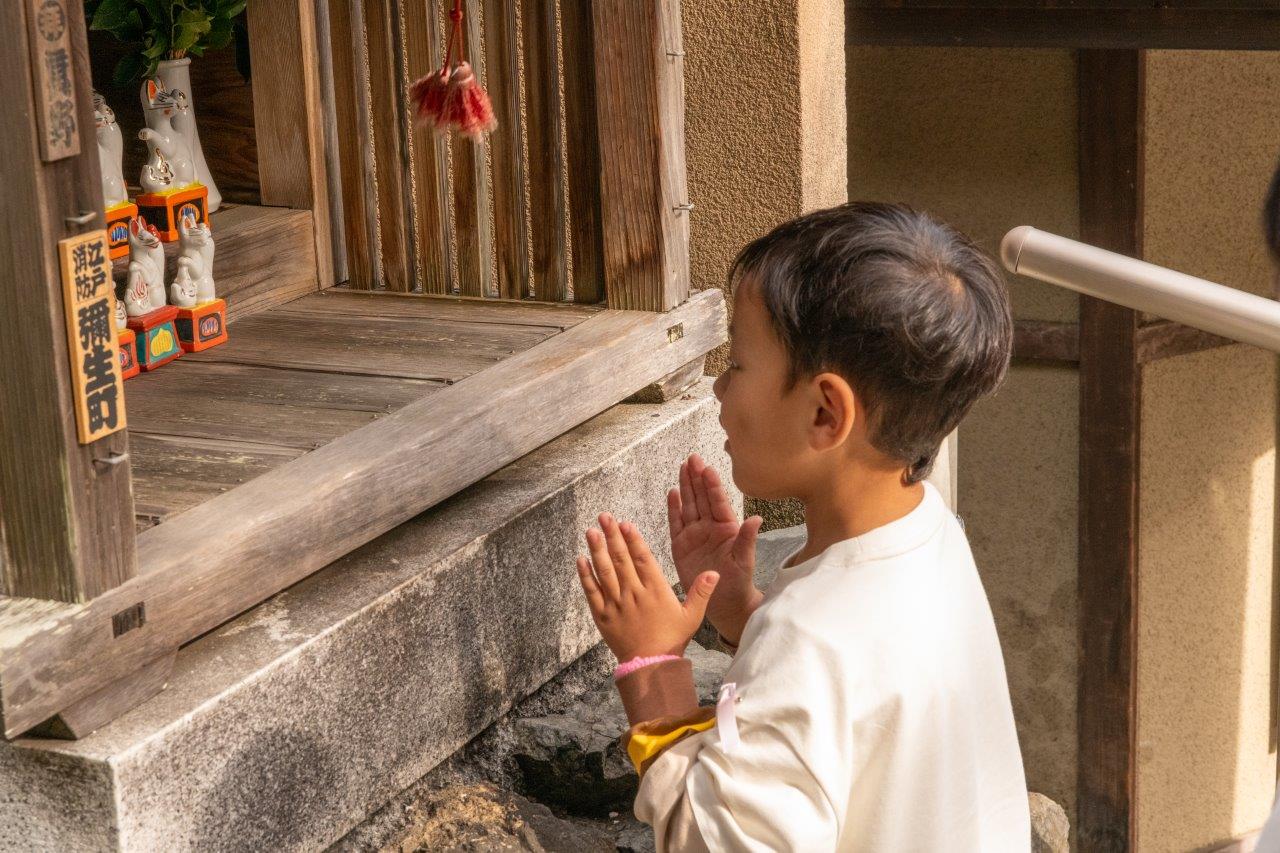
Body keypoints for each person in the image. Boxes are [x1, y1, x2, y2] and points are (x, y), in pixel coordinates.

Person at [574, 202, 1030, 851]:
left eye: (736, 363)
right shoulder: (932, 534)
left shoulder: (809, 636)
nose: (717, 391)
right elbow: (855, 696)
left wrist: (656, 672)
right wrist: (744, 616)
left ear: (824, 412)